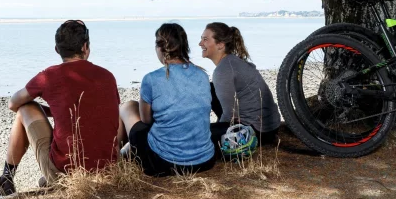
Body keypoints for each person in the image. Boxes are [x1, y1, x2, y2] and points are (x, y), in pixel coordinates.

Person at [0, 20, 120, 199]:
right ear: (85, 47)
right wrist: (58, 109)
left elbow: (13, 103)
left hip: (66, 173)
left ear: (57, 50)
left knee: (26, 107)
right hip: (107, 169)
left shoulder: (49, 76)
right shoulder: (107, 76)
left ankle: (5, 181)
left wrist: (46, 108)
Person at [117, 23, 215, 177]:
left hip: (165, 162)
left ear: (160, 47)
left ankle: (114, 157)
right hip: (205, 160)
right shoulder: (202, 75)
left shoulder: (151, 79)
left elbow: (146, 120)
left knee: (127, 107)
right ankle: (122, 154)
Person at [199, 22, 282, 154]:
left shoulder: (223, 70)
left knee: (199, 135)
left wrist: (216, 129)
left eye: (205, 39)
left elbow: (230, 114)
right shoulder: (232, 61)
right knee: (210, 88)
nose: (200, 43)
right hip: (271, 127)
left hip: (256, 131)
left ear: (220, 44)